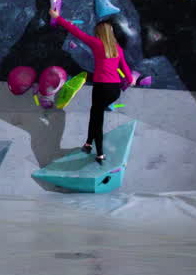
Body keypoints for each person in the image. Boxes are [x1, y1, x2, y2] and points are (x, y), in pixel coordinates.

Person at [49, 9, 133, 164]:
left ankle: (100, 154)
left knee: (97, 120)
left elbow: (75, 31)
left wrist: (57, 18)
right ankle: (88, 144)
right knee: (95, 115)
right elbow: (126, 70)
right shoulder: (118, 49)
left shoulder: (96, 43)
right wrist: (129, 80)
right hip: (114, 90)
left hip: (101, 87)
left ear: (99, 33)